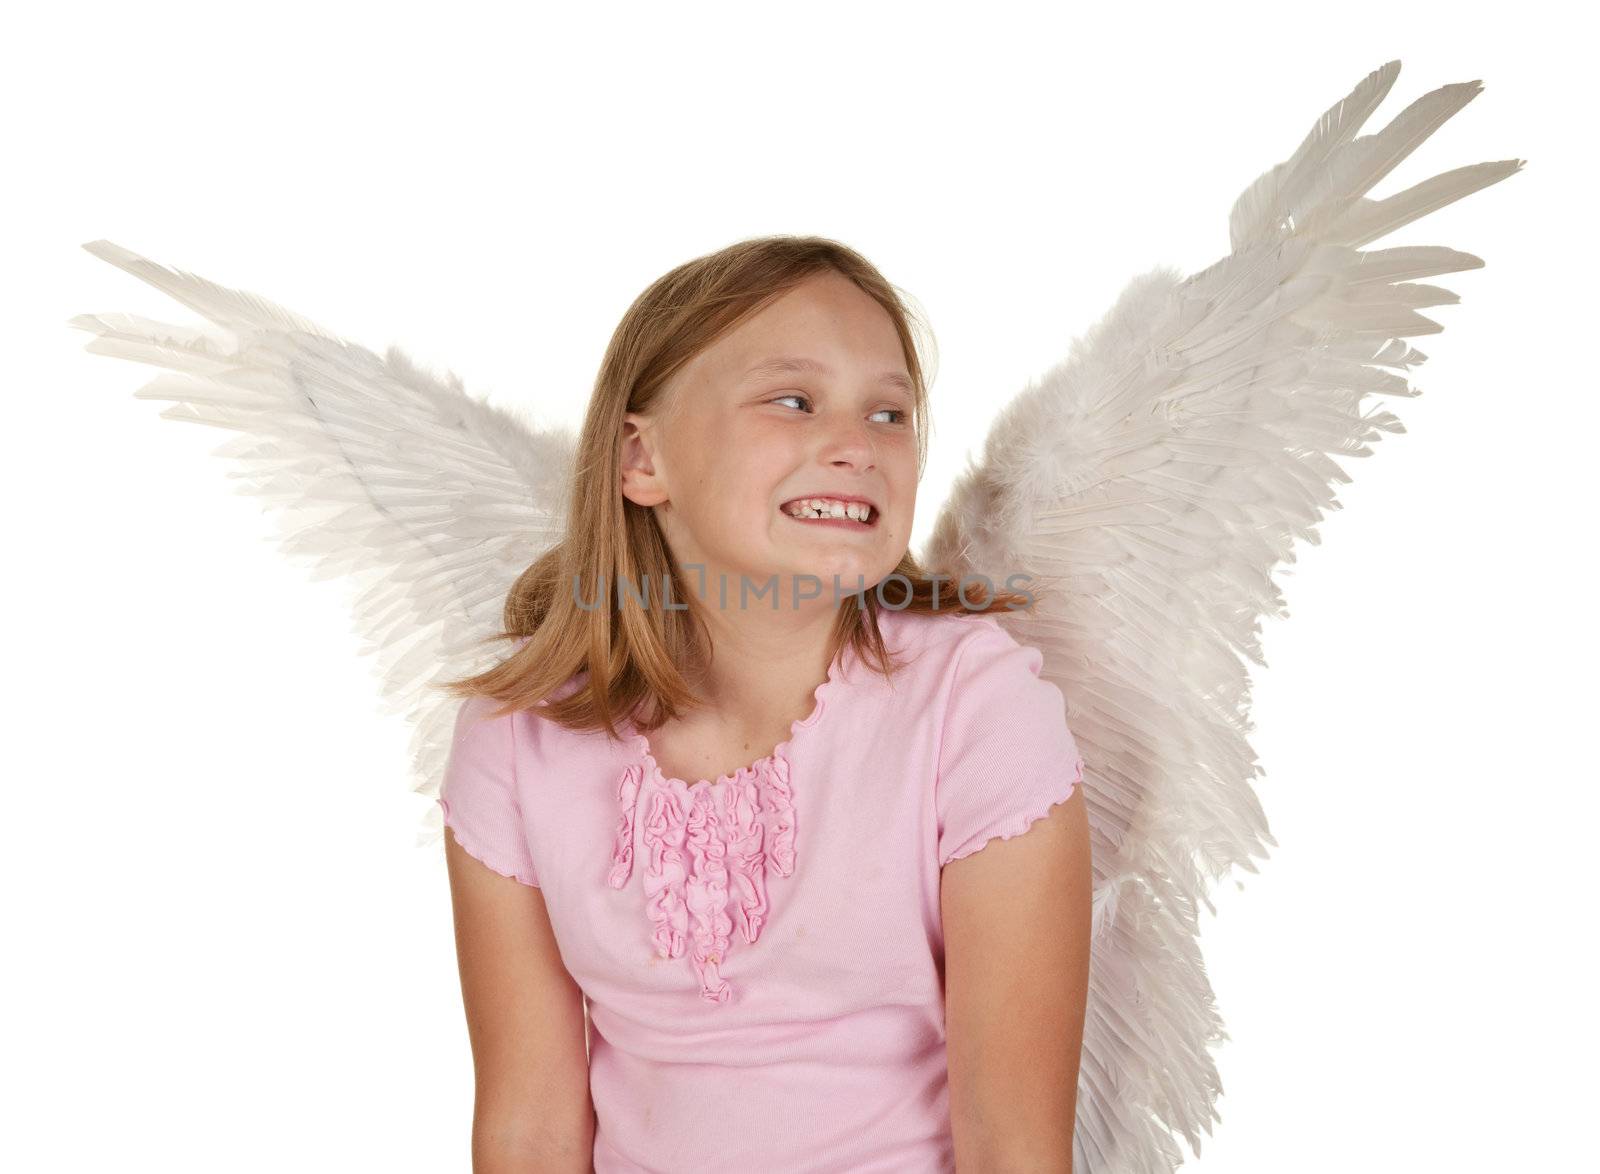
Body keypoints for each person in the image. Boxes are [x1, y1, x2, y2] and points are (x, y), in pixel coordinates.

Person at [436, 235, 1093, 1172]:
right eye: (793, 399)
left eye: (890, 413)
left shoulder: (971, 706)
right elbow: (529, 1126)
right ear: (641, 460)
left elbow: (1013, 1145)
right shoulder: (516, 739)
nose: (857, 446)